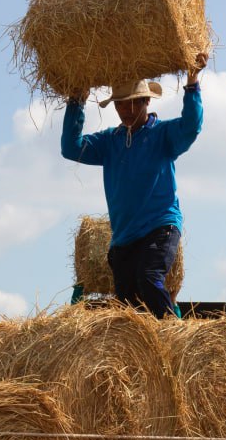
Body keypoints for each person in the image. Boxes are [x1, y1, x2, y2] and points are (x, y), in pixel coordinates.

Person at [60, 53, 208, 318]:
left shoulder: (162, 135)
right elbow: (71, 148)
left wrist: (192, 83)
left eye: (132, 104)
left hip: (160, 226)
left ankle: (172, 336)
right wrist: (76, 102)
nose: (126, 111)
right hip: (124, 238)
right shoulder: (109, 142)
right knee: (128, 305)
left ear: (146, 101)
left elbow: (191, 127)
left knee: (149, 278)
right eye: (120, 105)